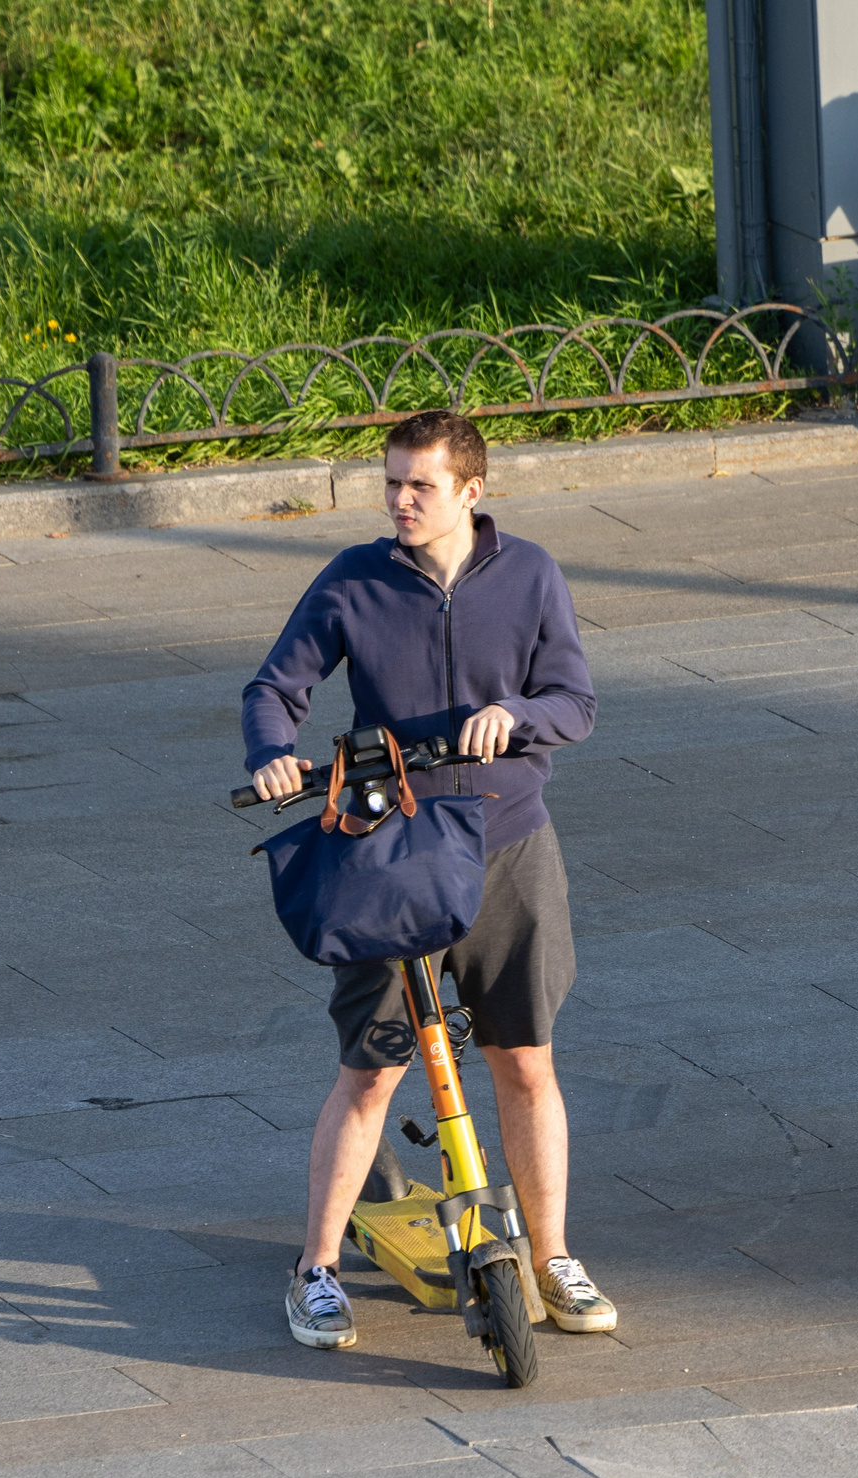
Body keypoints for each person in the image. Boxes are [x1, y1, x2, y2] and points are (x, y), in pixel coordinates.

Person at [245, 410, 618, 1351]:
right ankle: (315, 1270)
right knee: (371, 1072)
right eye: (392, 483)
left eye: (420, 485)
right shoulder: (354, 579)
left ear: (471, 491)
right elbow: (274, 688)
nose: (400, 501)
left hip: (508, 848)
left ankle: (552, 1257)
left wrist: (516, 715)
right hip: (394, 853)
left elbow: (575, 702)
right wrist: (273, 752)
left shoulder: (530, 574)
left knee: (525, 1060)